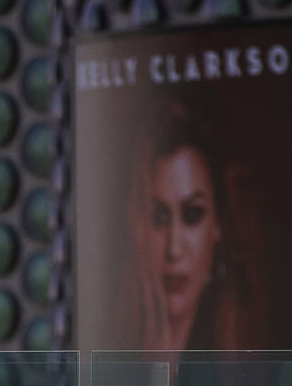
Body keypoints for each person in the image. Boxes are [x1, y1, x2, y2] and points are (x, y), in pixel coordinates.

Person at [111, 100, 268, 351]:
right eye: (159, 218)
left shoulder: (246, 368)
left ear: (218, 225)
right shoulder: (104, 351)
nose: (174, 249)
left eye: (193, 215)